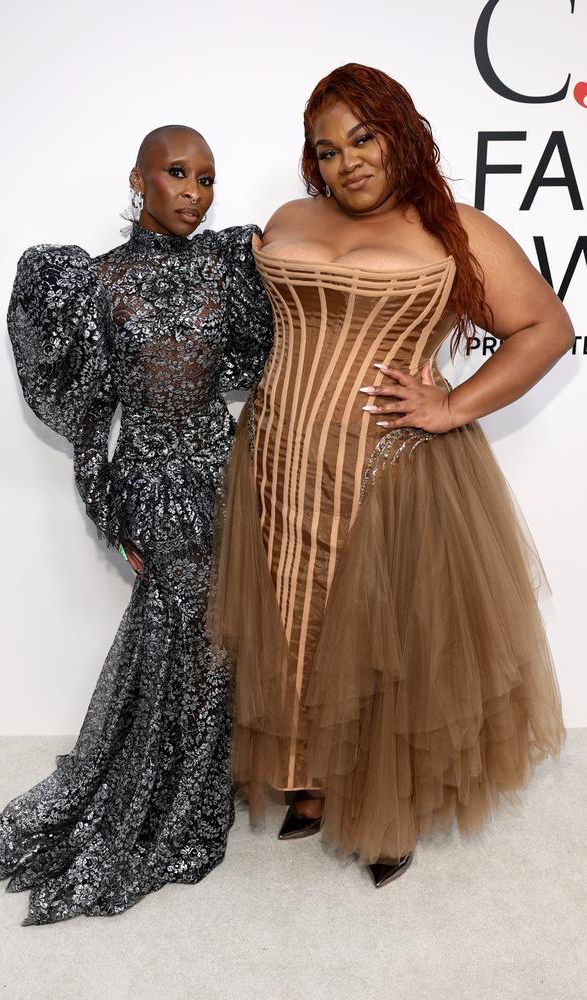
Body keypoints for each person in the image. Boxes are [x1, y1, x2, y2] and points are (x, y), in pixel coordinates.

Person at [208, 65, 571, 888]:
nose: (349, 163)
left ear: (400, 132)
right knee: (289, 616)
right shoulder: (289, 218)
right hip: (276, 454)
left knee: (381, 635)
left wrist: (453, 405)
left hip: (390, 466)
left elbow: (546, 328)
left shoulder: (455, 231)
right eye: (327, 151)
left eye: (363, 138)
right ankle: (309, 780)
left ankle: (386, 804)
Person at [0, 125, 272, 923]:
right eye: (177, 173)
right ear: (138, 179)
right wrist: (111, 516)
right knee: (192, 628)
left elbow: (273, 352)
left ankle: (201, 785)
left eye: (207, 178)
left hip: (225, 471)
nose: (194, 191)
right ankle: (167, 801)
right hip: (152, 478)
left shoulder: (228, 266)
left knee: (222, 636)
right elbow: (90, 416)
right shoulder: (94, 281)